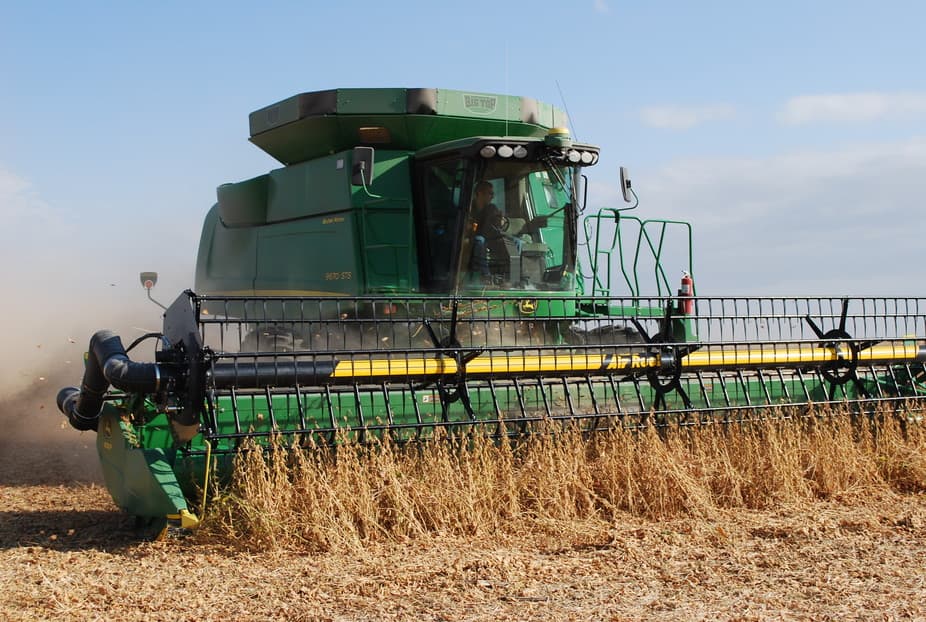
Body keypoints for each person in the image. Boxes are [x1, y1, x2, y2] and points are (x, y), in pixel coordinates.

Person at [469, 181, 504, 280]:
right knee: (480, 240)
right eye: (490, 193)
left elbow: (498, 227)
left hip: (492, 239)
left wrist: (500, 222)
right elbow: (469, 229)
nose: (492, 197)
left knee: (516, 242)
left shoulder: (492, 208)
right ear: (480, 193)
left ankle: (515, 279)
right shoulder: (469, 208)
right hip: (475, 239)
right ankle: (485, 276)